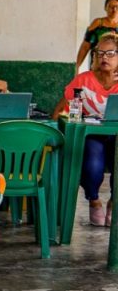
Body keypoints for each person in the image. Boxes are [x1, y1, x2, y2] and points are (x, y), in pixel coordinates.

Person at [53, 32, 118, 227]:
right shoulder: (84, 80)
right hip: (92, 134)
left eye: (110, 53)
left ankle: (114, 203)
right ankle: (94, 199)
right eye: (99, 53)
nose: (104, 57)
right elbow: (59, 112)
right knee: (92, 162)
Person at [75, 0, 118, 71]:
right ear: (105, 8)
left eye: (116, 7)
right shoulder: (98, 23)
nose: (114, 10)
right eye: (111, 7)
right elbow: (85, 46)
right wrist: (77, 67)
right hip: (98, 67)